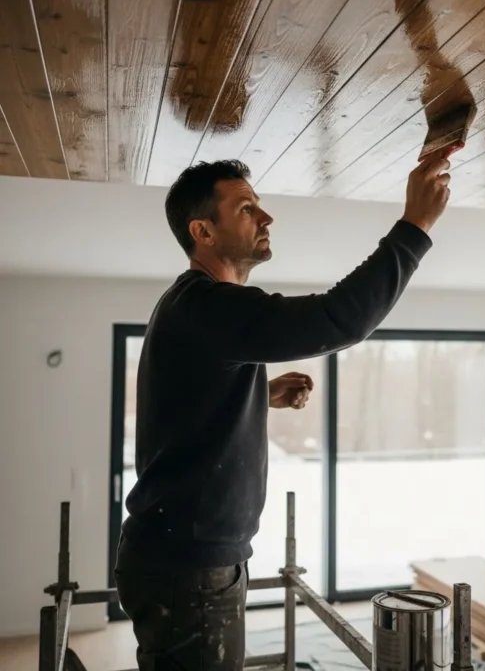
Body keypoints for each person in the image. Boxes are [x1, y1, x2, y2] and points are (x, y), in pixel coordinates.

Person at [114, 148, 452, 670]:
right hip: (188, 566)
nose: (267, 217)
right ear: (202, 232)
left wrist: (258, 393)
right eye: (247, 207)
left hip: (185, 557)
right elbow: (338, 319)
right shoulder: (207, 305)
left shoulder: (195, 309)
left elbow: (188, 406)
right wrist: (415, 226)